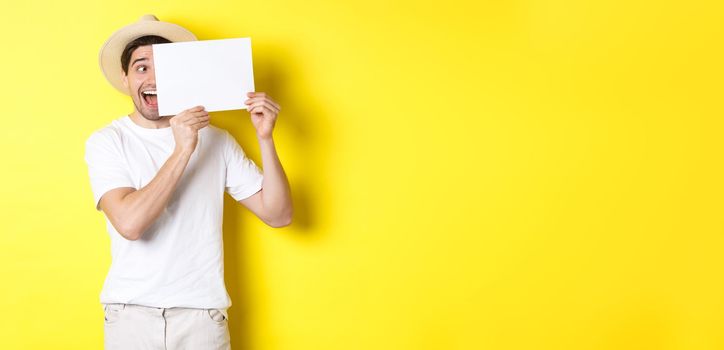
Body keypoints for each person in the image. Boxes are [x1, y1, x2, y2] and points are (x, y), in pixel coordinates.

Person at [84, 14, 293, 349]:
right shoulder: (107, 141)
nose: (153, 78)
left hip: (202, 318)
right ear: (125, 78)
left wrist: (266, 138)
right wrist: (183, 148)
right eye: (141, 67)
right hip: (130, 317)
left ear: (182, 74)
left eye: (164, 68)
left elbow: (279, 214)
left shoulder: (218, 140)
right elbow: (130, 223)